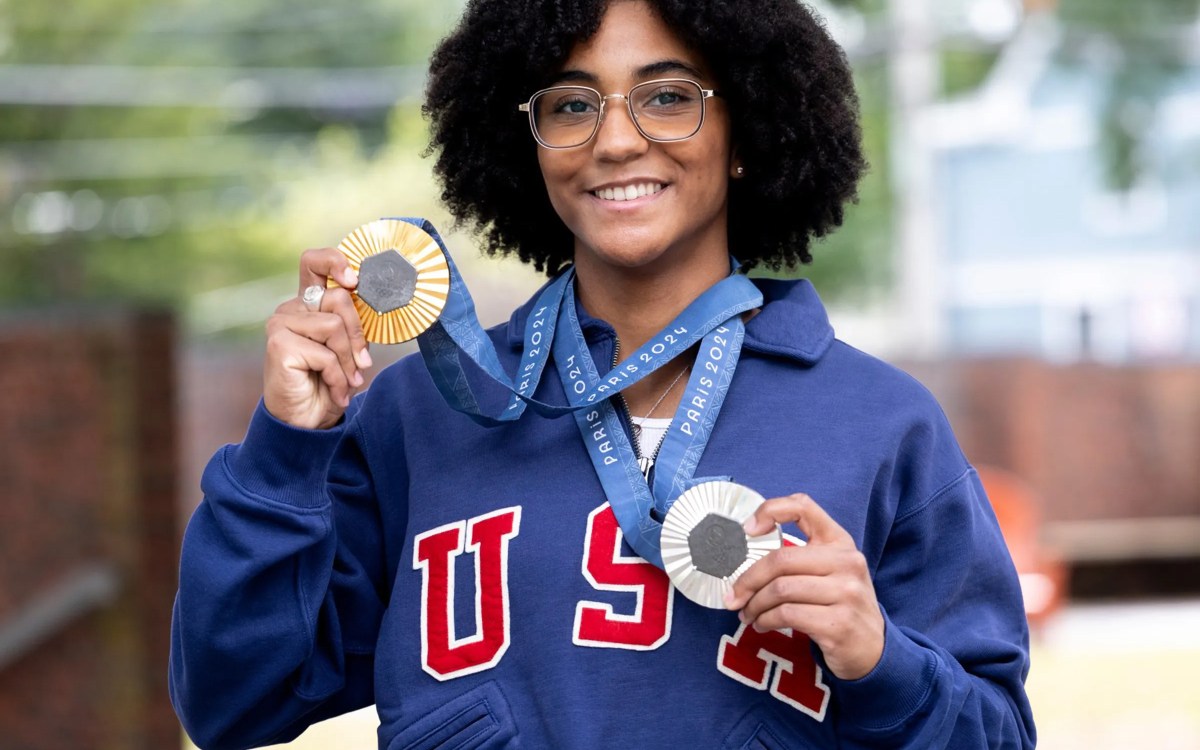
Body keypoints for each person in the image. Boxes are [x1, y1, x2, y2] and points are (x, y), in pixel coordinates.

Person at [169, 1, 1036, 748]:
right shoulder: (418, 414)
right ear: (528, 146)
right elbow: (231, 702)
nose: (617, 140)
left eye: (667, 97)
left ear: (748, 131)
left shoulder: (880, 424)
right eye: (571, 104)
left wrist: (881, 659)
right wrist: (287, 451)